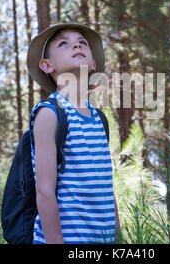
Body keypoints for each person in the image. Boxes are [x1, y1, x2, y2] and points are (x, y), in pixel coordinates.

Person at [26, 23, 120, 244]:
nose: (77, 44)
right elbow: (45, 192)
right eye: (63, 43)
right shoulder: (50, 114)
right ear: (47, 65)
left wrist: (119, 238)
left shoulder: (99, 119)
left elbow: (106, 188)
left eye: (82, 42)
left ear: (93, 63)